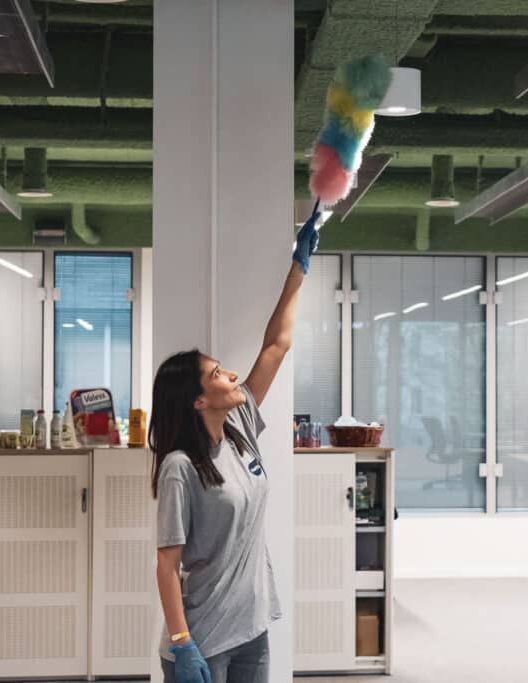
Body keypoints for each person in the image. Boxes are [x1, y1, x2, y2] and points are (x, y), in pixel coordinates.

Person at [151, 203, 322, 683]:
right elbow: (166, 564)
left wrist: (298, 267)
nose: (231, 374)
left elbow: (276, 346)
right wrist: (181, 643)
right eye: (216, 374)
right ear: (197, 401)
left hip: (252, 628)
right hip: (202, 638)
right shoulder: (180, 467)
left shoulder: (239, 427)